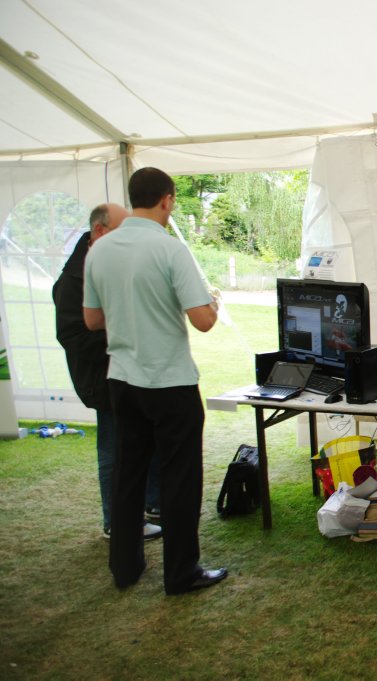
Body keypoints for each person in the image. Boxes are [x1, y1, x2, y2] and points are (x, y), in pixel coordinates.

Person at [83, 167, 226, 595]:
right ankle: (182, 573)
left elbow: (92, 319)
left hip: (123, 380)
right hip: (170, 381)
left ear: (132, 200)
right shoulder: (169, 249)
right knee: (179, 478)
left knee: (128, 474)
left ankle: (125, 567)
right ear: (167, 200)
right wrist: (214, 302)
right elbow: (202, 321)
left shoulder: (101, 249)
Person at [53, 203, 163, 541]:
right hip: (104, 379)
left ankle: (153, 504)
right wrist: (124, 336)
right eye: (121, 231)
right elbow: (73, 336)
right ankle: (117, 522)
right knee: (115, 449)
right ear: (100, 231)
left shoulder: (111, 263)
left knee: (149, 438)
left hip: (134, 373)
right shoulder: (73, 281)